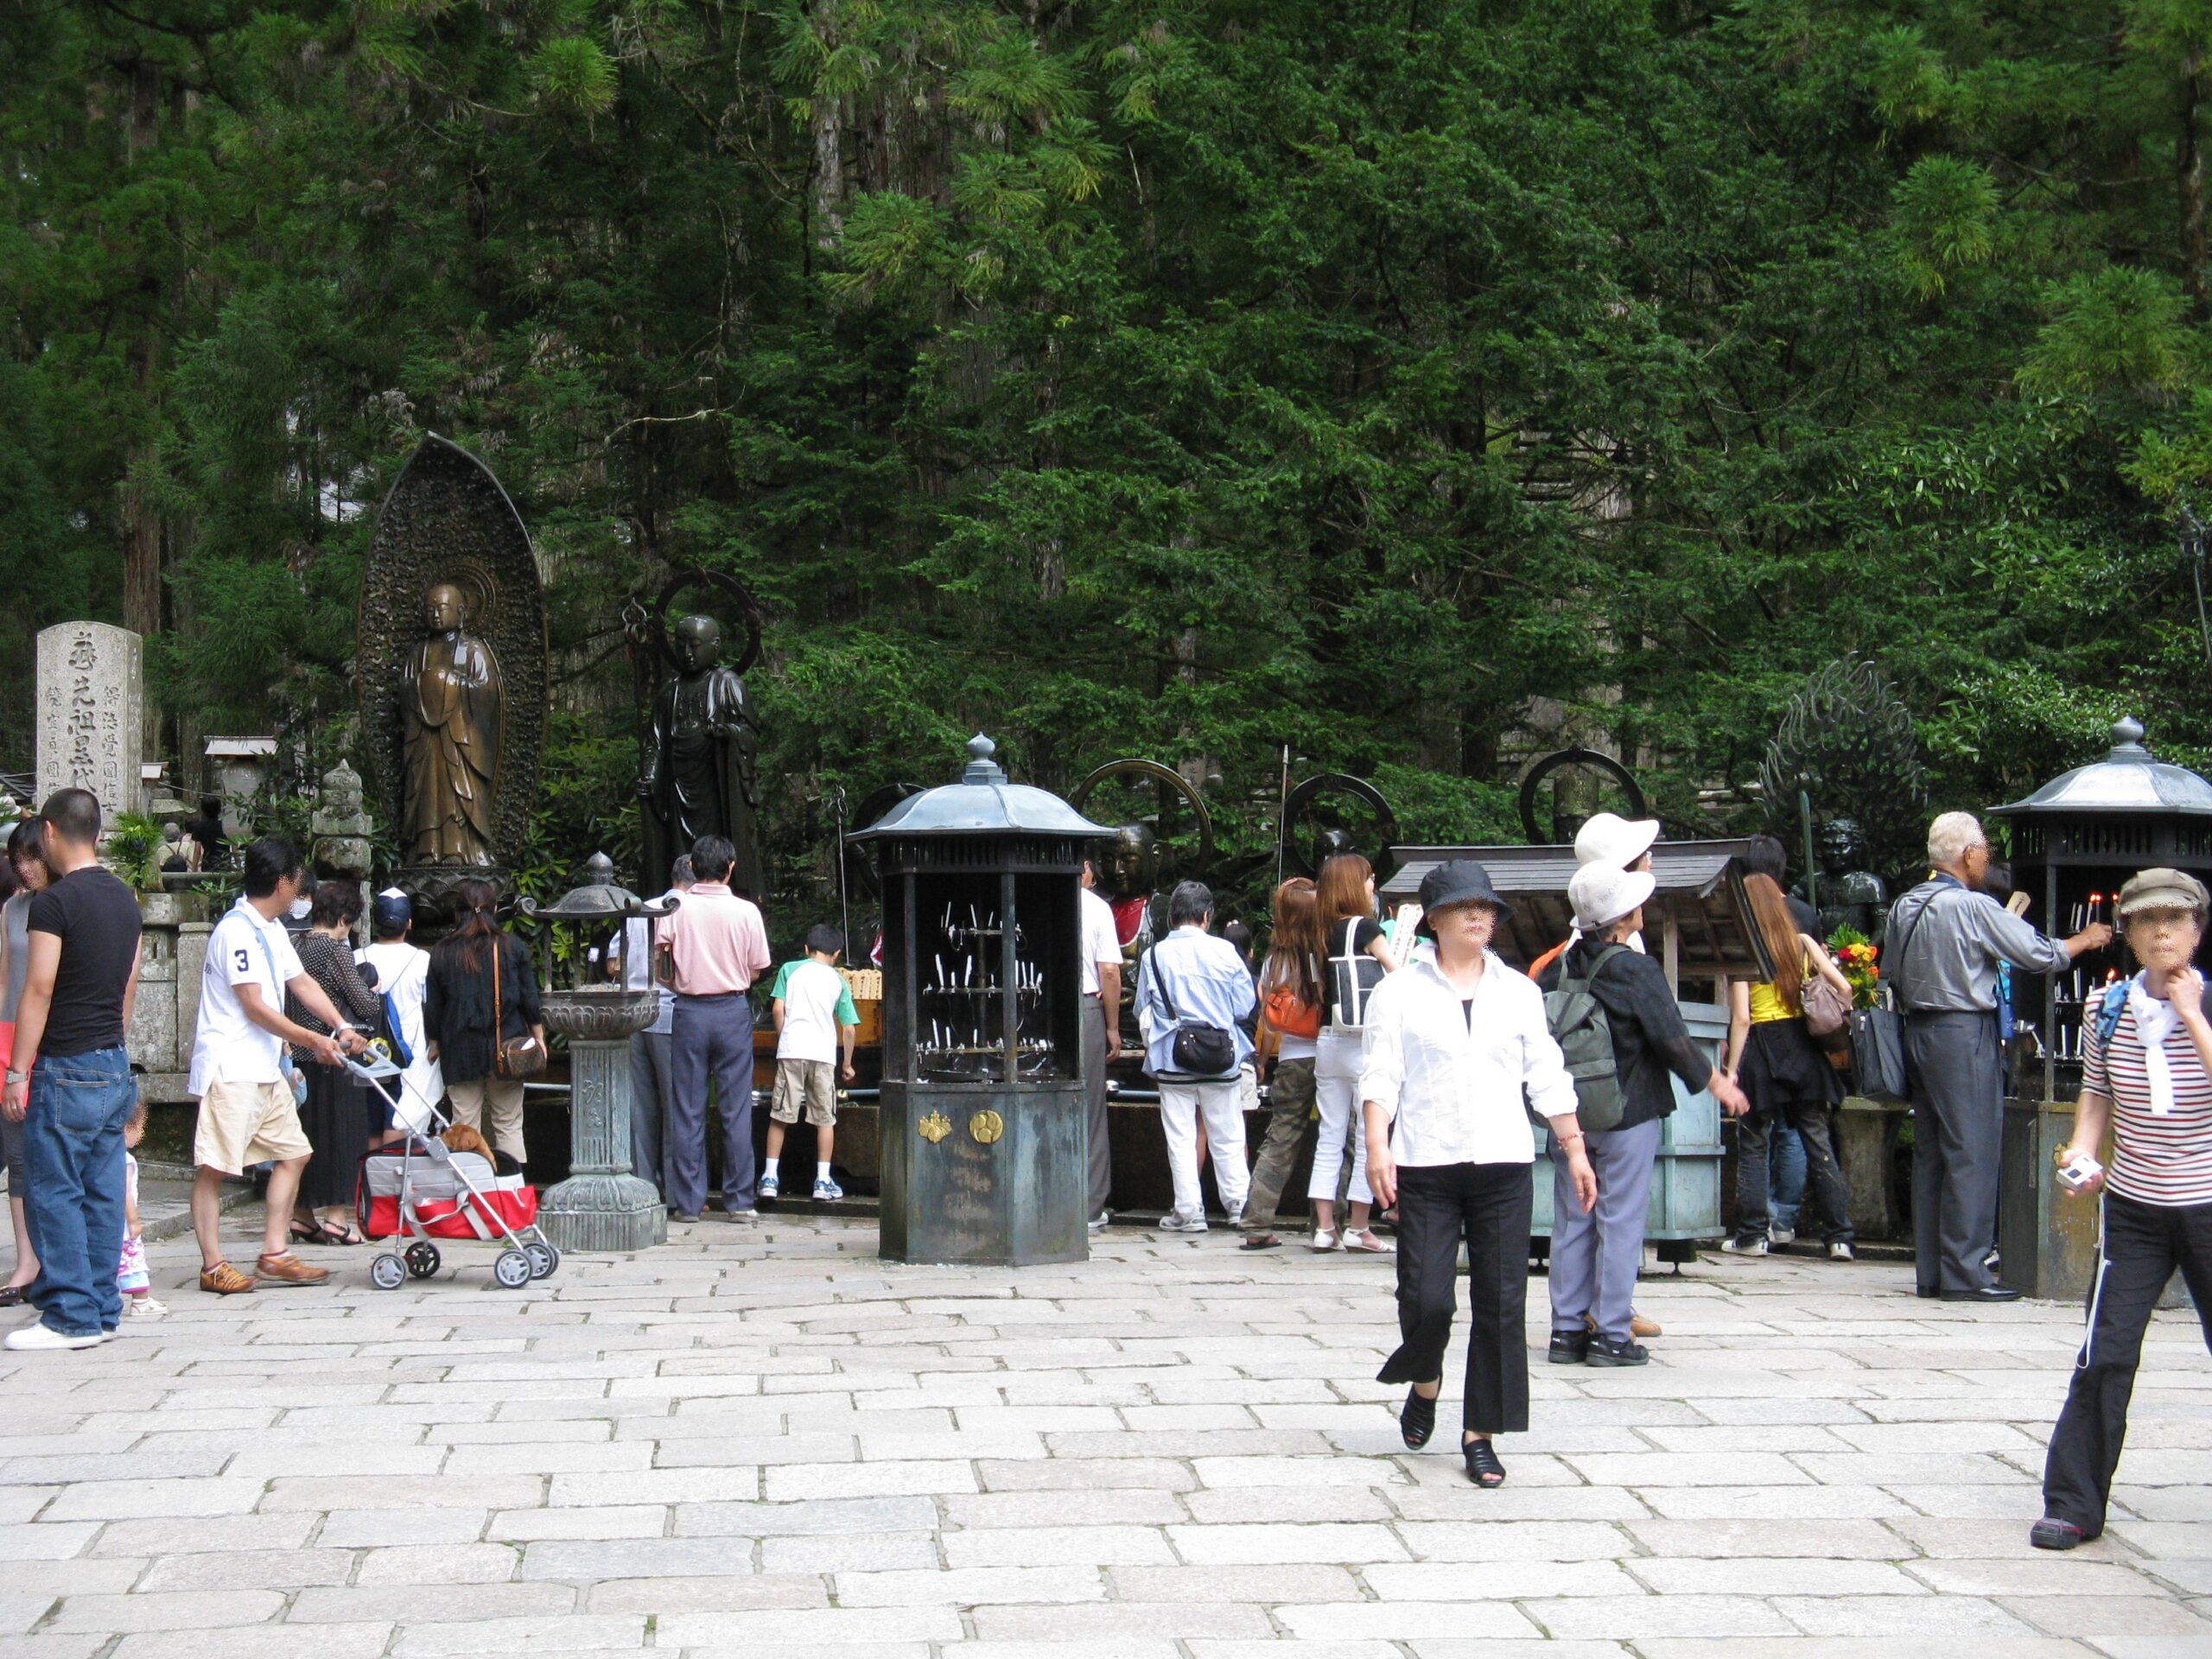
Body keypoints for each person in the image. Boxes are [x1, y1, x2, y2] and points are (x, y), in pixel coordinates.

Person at [1363, 860, 1595, 1488]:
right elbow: (1381, 1074)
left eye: (1487, 908)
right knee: (1427, 1298)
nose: (1479, 917)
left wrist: (1572, 1146)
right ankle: (1426, 1379)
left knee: (1500, 1303)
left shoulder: (1518, 991)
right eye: (1465, 908)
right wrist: (1376, 1147)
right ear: (1434, 920)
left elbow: (1546, 1072)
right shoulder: (1398, 992)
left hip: (1502, 1163)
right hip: (1426, 1160)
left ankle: (1481, 1434)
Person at [2033, 868, 2212, 1552]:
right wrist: (2078, 1156)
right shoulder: (2107, 1011)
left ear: (2196, 930)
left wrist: (2191, 1013)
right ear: (2130, 936)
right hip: (2135, 1207)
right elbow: (2096, 1101)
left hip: (2207, 1199)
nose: (2162, 931)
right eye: (2146, 921)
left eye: (2176, 919)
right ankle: (2074, 1502)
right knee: (2104, 1354)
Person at [1889, 811, 2110, 1300]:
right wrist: (2087, 939)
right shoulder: (1973, 907)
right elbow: (2038, 954)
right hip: (1963, 1033)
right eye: (1985, 848)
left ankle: (1933, 1274)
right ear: (1968, 854)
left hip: (1917, 1032)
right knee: (1972, 1151)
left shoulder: (1906, 904)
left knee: (1932, 1154)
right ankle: (1966, 1275)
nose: (1988, 856)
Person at [1541, 863, 1751, 1367]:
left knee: (1572, 1221)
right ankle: (1612, 1334)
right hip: (1628, 1110)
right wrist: (1717, 1083)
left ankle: (1566, 1332)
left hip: (1568, 1115)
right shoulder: (1634, 970)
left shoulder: (1555, 969)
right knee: (1619, 1220)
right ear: (1623, 916)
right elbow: (1671, 1038)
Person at [186, 836, 364, 1297]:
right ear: (283, 881)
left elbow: (299, 981)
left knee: (296, 1153)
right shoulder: (236, 930)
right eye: (297, 880)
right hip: (233, 1066)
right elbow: (254, 1007)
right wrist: (313, 1040)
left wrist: (340, 1024)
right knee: (215, 1167)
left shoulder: (272, 929)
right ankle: (213, 1264)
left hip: (267, 1066)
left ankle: (275, 1252)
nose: (300, 890)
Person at [1, 790, 143, 1350]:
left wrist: (16, 1071)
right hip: (111, 1059)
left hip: (65, 1062)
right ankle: (103, 1307)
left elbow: (37, 989)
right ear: (98, 833)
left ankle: (69, 1316)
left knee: (53, 1189)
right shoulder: (124, 898)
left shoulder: (53, 904)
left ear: (52, 833)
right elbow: (127, 985)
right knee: (103, 1190)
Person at [1723, 873, 1859, 1260]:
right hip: (1802, 1046)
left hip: (1762, 1049)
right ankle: (1839, 1238)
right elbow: (1845, 989)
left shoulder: (1743, 952)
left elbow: (1742, 1019)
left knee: (1753, 1144)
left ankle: (1751, 1237)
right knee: (1818, 1142)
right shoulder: (1802, 943)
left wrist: (1732, 1070)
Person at [656, 835, 771, 1224]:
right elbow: (756, 971)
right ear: (731, 867)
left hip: (688, 1011)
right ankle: (739, 1201)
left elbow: (661, 962)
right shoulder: (746, 912)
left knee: (688, 1109)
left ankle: (689, 1205)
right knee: (735, 1108)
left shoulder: (676, 908)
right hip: (732, 1009)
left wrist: (680, 981)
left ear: (694, 868)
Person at [1135, 880, 1255, 1234]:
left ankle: (1188, 1211)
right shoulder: (1226, 952)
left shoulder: (1153, 955)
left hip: (1174, 1058)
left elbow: (1142, 1006)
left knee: (1181, 1137)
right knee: (1229, 1133)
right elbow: (1244, 1005)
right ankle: (1238, 1206)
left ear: (1171, 916)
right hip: (1222, 1057)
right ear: (1206, 916)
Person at [423, 879, 544, 1170]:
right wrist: (538, 1038)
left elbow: (434, 1007)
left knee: (464, 1125)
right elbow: (529, 997)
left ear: (457, 913)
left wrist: (435, 1043)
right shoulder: (511, 946)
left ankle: (471, 1193)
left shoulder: (442, 951)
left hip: (459, 1050)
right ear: (494, 908)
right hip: (507, 1049)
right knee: (509, 1123)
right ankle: (511, 1192)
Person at [287, 880, 382, 1245]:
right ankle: (337, 1218)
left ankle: (301, 1215)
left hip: (301, 1052)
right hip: (336, 1054)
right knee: (344, 1137)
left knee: (307, 1137)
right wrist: (372, 992)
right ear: (343, 918)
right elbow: (364, 1003)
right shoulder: (335, 949)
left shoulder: (295, 944)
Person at [1311, 853, 1398, 1253]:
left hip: (1329, 1040)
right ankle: (1358, 1227)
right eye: (1368, 879)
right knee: (1368, 1135)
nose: (1371, 885)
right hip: (1365, 1042)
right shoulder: (1365, 926)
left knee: (1329, 1135)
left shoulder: (1320, 931)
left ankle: (1324, 1228)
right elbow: (1396, 971)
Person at [1243, 877, 1324, 1251]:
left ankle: (1257, 1220)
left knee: (1280, 1138)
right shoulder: (1326, 951)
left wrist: (1262, 1058)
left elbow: (1270, 1019)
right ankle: (1327, 1222)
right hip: (1330, 1054)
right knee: (1337, 1139)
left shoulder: (1275, 959)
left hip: (1291, 1057)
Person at [606, 855, 692, 1195]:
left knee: (639, 1106)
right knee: (676, 1104)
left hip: (633, 1013)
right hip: (670, 1013)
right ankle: (675, 1191)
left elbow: (612, 964)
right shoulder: (688, 910)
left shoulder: (639, 909)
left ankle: (643, 1186)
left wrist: (635, 970)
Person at [760, 925, 860, 1205]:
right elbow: (849, 1028)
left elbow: (778, 1009)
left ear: (806, 949)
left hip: (792, 1050)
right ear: (837, 954)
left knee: (780, 1115)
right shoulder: (838, 980)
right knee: (825, 1119)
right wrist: (848, 1064)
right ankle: (822, 1181)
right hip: (823, 1054)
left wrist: (785, 1038)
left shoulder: (790, 970)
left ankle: (769, 1179)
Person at [0, 823, 45, 1308]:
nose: (25, 869)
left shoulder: (69, 904)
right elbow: (5, 982)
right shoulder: (12, 909)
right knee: (18, 1157)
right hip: (12, 1038)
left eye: (32, 858)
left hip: (58, 1041)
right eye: (18, 861)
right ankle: (26, 1260)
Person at [359, 887, 442, 1137]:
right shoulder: (422, 960)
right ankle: (395, 1174)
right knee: (400, 1121)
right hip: (410, 1053)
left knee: (373, 1122)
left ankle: (372, 1175)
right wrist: (435, 1043)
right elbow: (433, 1007)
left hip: (368, 1050)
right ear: (409, 923)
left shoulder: (356, 957)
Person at [1079, 855, 1123, 1233]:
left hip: (1035, 1005)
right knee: (1091, 1106)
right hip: (1084, 1008)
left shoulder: (1036, 899)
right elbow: (1108, 970)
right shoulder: (1097, 909)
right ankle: (1091, 1203)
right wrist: (1112, 1025)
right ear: (1087, 868)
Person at [116, 1100, 163, 1321]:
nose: (142, 1134)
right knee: (133, 1260)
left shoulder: (103, 1157)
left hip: (108, 1223)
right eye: (141, 1128)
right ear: (128, 1128)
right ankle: (141, 1300)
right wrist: (134, 1220)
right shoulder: (125, 1160)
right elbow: (125, 1192)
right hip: (123, 1225)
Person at [181, 794, 228, 869]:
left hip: (208, 863)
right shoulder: (224, 825)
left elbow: (197, 850)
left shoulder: (199, 826)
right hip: (225, 862)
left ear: (203, 810)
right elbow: (232, 843)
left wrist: (194, 869)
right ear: (219, 809)